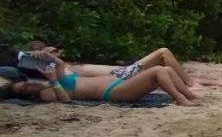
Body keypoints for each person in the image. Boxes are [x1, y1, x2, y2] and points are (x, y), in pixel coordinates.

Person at [2, 50, 199, 105]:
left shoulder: (55, 78)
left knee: (166, 70)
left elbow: (61, 65)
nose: (29, 86)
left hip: (119, 83)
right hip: (113, 92)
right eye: (25, 90)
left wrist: (45, 56)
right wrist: (53, 80)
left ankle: (189, 96)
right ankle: (181, 99)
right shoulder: (47, 93)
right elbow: (66, 100)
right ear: (29, 96)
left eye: (26, 84)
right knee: (158, 71)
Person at [27, 42, 222, 88]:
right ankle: (190, 83)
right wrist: (42, 57)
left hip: (122, 72)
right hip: (121, 76)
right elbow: (49, 77)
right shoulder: (55, 68)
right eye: (51, 51)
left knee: (167, 61)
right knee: (163, 52)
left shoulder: (64, 65)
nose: (57, 52)